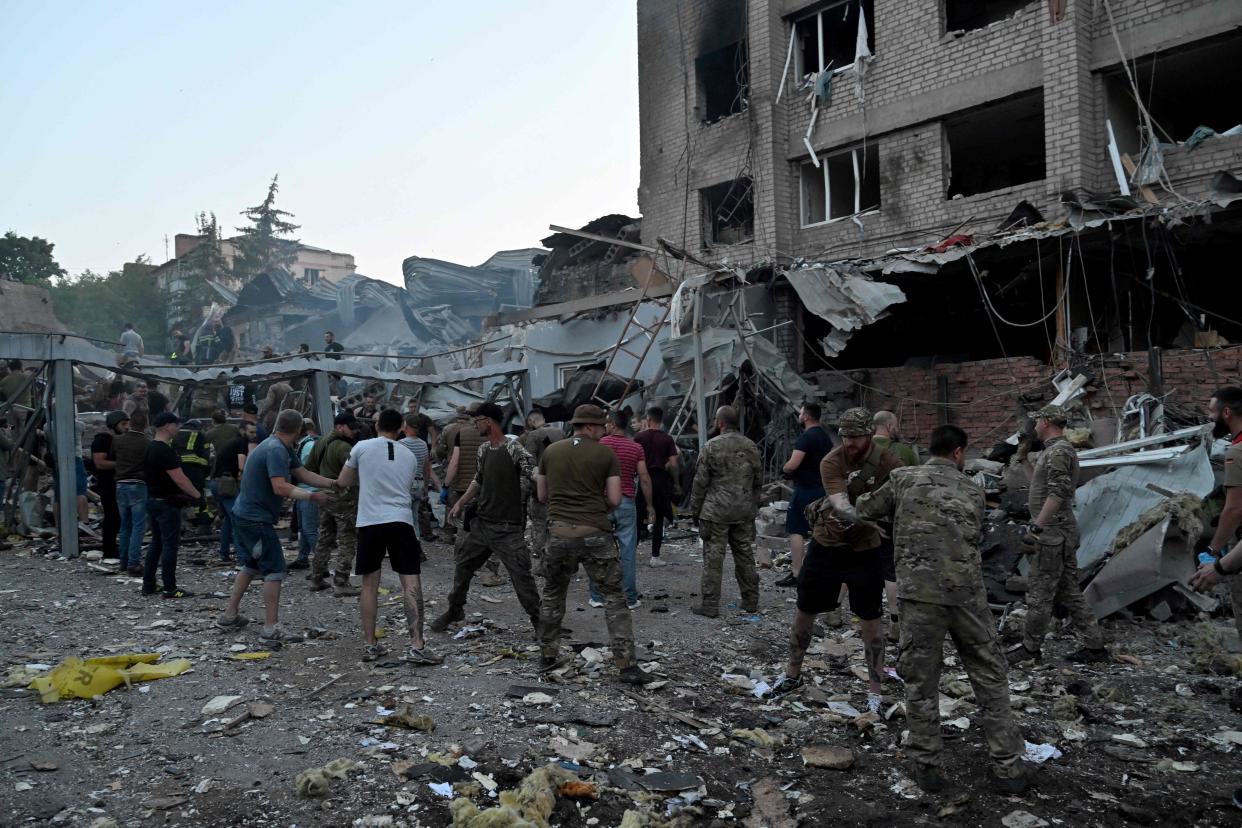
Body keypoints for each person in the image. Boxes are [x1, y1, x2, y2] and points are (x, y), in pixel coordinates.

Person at [854, 425, 1031, 795]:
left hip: (920, 597)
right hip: (967, 596)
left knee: (921, 682)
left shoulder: (902, 479)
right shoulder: (973, 489)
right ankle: (1009, 768)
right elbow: (976, 533)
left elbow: (865, 508)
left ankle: (927, 765)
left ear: (931, 449)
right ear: (958, 453)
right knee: (989, 677)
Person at [767, 407, 901, 711]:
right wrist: (867, 519)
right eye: (845, 436)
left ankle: (875, 692)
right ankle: (792, 675)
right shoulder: (833, 460)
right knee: (805, 610)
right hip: (827, 544)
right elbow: (840, 504)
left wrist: (873, 524)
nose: (850, 442)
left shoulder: (888, 461)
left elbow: (897, 500)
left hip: (866, 550)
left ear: (869, 434)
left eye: (855, 436)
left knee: (871, 622)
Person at [536, 405, 643, 683]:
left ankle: (547, 655)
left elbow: (541, 494)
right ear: (592, 426)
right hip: (595, 532)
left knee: (553, 594)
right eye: (602, 426)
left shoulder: (551, 452)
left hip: (558, 533)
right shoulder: (605, 453)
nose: (604, 430)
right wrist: (597, 508)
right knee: (613, 598)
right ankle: (626, 665)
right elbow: (616, 499)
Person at [217, 409, 336, 641]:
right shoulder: (275, 450)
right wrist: (314, 497)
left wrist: (333, 483)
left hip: (244, 514)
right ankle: (271, 628)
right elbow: (279, 487)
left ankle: (229, 615)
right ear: (299, 430)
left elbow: (301, 473)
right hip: (255, 518)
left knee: (251, 565)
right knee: (275, 569)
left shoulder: (279, 446)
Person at [336, 408, 441, 664]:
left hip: (370, 521)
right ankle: (417, 645)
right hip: (401, 520)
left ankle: (371, 645)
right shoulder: (409, 455)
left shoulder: (361, 447)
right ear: (401, 427)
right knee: (411, 582)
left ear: (376, 425)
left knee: (369, 584)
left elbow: (343, 481)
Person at [1008, 404, 1107, 665]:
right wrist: (1024, 461)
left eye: (1037, 420)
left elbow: (1058, 492)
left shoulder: (1058, 452)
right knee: (1070, 592)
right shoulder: (1053, 451)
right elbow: (1040, 486)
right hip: (1058, 531)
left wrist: (1037, 526)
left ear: (1045, 422)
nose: (1034, 426)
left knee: (1040, 593)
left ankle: (1030, 649)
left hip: (1052, 534)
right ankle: (1095, 646)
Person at [430, 403, 542, 632]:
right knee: (462, 568)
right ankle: (455, 610)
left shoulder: (514, 449)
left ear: (489, 421)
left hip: (507, 529)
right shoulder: (484, 449)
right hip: (482, 525)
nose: (474, 424)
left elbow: (533, 471)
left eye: (478, 420)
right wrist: (460, 503)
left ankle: (539, 622)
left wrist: (548, 481)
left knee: (522, 579)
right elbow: (478, 480)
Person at [688, 406, 762, 618]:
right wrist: (751, 505)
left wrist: (696, 510)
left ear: (720, 423)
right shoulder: (751, 446)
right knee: (745, 556)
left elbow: (700, 483)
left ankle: (710, 605)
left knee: (713, 559)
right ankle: (750, 601)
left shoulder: (711, 446)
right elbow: (758, 481)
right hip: (743, 512)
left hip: (715, 512)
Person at [1190, 386, 1242, 640]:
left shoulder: (1237, 452)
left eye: (1212, 412)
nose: (1209, 418)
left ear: (1227, 412)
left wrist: (1213, 553)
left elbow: (1234, 509)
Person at [590, 411, 649, 609]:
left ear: (613, 424)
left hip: (602, 503)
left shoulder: (600, 445)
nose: (605, 426)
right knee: (628, 552)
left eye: (607, 423)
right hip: (626, 503)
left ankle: (597, 597)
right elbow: (644, 477)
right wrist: (649, 505)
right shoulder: (636, 447)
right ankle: (630, 599)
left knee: (598, 550)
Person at [142, 412, 202, 599]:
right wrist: (197, 495)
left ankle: (149, 584)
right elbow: (179, 478)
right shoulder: (165, 451)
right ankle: (170, 587)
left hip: (152, 500)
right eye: (176, 425)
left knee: (156, 543)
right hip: (167, 504)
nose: (178, 428)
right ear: (167, 426)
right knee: (170, 545)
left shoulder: (150, 448)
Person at [778, 402, 832, 590]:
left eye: (801, 413)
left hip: (805, 490)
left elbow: (792, 465)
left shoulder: (806, 437)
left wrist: (784, 468)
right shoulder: (826, 438)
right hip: (823, 490)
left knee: (796, 529)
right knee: (820, 531)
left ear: (806, 416)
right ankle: (820, 570)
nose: (799, 416)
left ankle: (797, 573)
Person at [306, 413, 361, 594]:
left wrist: (321, 486)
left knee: (325, 537)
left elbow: (309, 469)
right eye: (350, 428)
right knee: (347, 539)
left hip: (325, 497)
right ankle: (341, 581)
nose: (354, 431)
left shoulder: (319, 442)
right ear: (339, 427)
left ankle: (316, 578)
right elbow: (356, 474)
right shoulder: (344, 447)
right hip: (344, 499)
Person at [520, 410, 564, 573]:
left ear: (531, 421)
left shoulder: (534, 436)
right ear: (544, 419)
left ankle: (542, 565)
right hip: (560, 487)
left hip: (541, 488)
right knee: (558, 525)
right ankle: (559, 561)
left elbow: (528, 462)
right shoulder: (560, 432)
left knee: (539, 525)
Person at [635, 407, 679, 566]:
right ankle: (655, 557)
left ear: (648, 419)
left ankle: (630, 554)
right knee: (659, 518)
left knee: (638, 516)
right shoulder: (667, 439)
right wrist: (676, 482)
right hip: (660, 481)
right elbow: (674, 464)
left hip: (643, 478)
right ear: (661, 420)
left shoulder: (639, 437)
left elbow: (634, 459)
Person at [210, 420, 253, 564]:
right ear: (242, 430)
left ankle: (224, 554)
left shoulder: (232, 442)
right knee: (237, 519)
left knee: (228, 520)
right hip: (226, 483)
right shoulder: (241, 442)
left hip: (216, 482)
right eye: (250, 432)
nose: (253, 435)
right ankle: (243, 560)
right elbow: (242, 466)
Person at [112, 411, 150, 576]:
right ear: (145, 425)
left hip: (120, 484)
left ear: (130, 424)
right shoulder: (147, 443)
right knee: (138, 526)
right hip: (139, 485)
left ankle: (123, 561)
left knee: (124, 526)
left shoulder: (117, 440)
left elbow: (114, 456)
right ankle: (133, 563)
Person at [91, 411, 128, 561]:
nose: (127, 427)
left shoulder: (120, 439)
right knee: (112, 518)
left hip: (119, 483)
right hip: (108, 485)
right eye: (123, 424)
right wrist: (124, 465)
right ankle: (109, 550)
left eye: (128, 424)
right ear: (114, 425)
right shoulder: (102, 440)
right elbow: (100, 463)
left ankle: (117, 549)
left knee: (118, 518)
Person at [400, 413, 441, 541]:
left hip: (406, 484)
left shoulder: (401, 444)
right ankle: (416, 545)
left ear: (407, 426)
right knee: (415, 517)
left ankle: (406, 547)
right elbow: (426, 467)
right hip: (419, 484)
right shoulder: (423, 444)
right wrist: (425, 486)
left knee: (404, 518)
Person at [291, 419, 319, 570]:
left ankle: (321, 563)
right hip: (304, 490)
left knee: (309, 529)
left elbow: (306, 470)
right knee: (304, 528)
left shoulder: (307, 445)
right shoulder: (304, 444)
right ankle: (302, 558)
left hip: (309, 491)